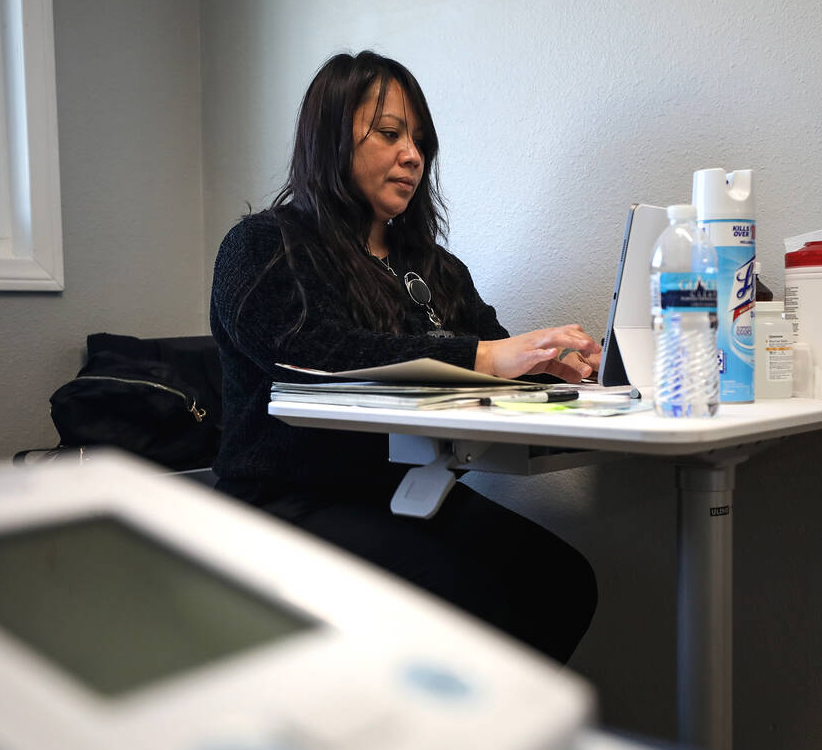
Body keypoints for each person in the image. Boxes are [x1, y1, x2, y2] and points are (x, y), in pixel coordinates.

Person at [210, 51, 601, 663]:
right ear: (330, 137)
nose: (413, 155)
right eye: (390, 133)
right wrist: (493, 357)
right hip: (288, 502)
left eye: (420, 141)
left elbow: (491, 350)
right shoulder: (264, 246)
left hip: (410, 494)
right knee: (481, 602)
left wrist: (549, 365)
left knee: (561, 584)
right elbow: (318, 356)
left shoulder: (435, 268)